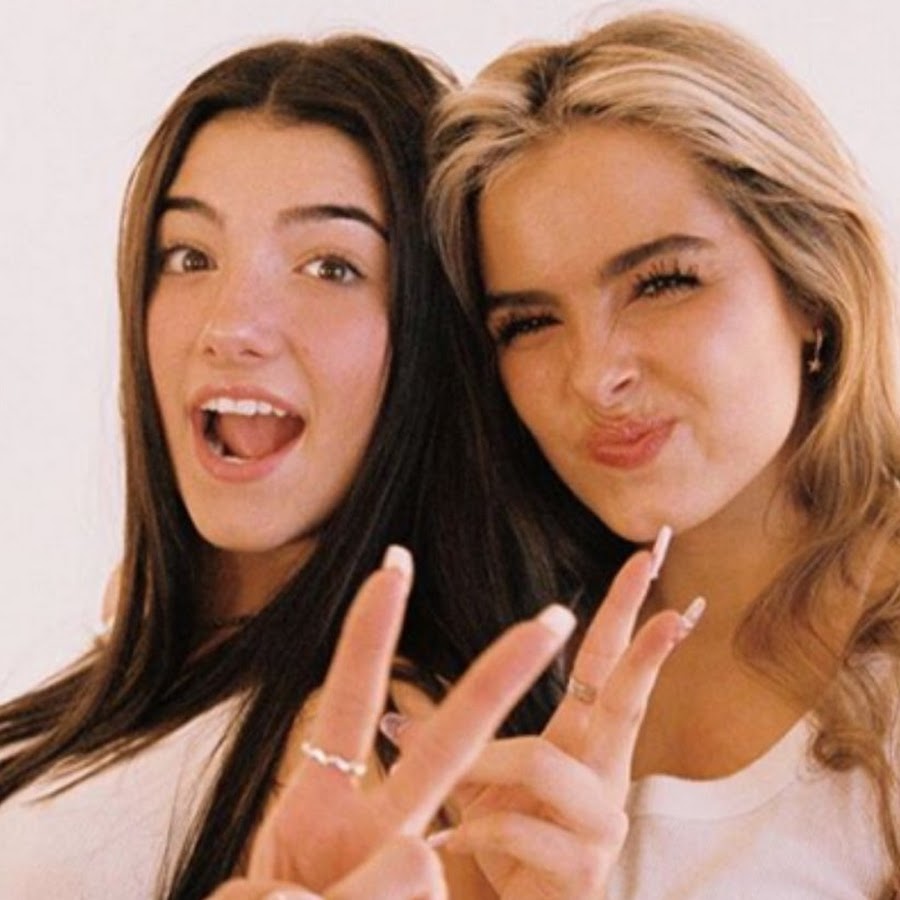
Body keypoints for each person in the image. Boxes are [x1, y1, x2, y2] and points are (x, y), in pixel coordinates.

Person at [0, 29, 692, 900]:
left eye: (330, 266)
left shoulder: (377, 751)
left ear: (432, 343)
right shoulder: (160, 652)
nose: (230, 324)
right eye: (189, 256)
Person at [427, 9, 900, 897]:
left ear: (812, 284)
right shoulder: (494, 666)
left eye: (662, 282)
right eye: (528, 323)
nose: (594, 375)